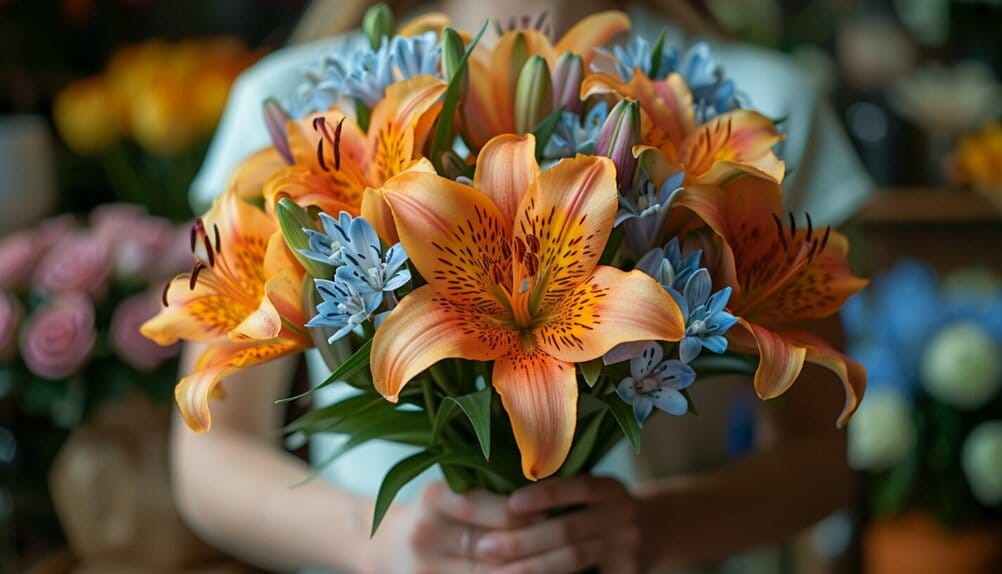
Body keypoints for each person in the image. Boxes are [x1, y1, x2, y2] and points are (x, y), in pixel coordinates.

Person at [173, 1, 874, 572]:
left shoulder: (760, 103)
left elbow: (821, 459)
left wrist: (654, 529)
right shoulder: (295, 97)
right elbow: (207, 460)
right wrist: (381, 543)